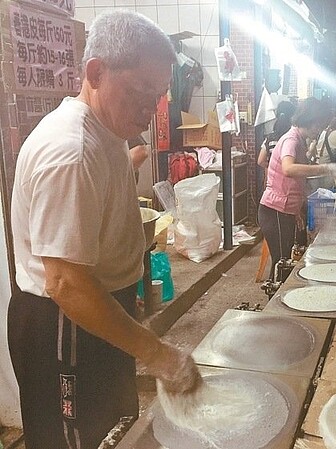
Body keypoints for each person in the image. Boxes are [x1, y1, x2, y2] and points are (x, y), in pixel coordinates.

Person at [8, 11, 200, 449]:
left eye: (158, 96)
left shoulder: (107, 132)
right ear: (95, 72)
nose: (148, 110)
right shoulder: (71, 150)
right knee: (76, 440)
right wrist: (158, 354)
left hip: (95, 313)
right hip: (63, 325)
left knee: (111, 430)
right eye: (138, 93)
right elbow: (66, 283)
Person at [259, 98, 336, 280]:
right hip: (275, 211)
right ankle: (275, 302)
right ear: (310, 121)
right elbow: (288, 169)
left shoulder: (299, 139)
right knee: (282, 262)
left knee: (285, 259)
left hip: (285, 210)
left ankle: (279, 297)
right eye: (319, 125)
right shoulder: (291, 140)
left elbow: (294, 183)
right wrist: (327, 168)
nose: (319, 130)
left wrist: (297, 211)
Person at [257, 100, 296, 169]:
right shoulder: (293, 138)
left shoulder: (270, 138)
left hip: (272, 177)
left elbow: (260, 161)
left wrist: (273, 167)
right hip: (289, 177)